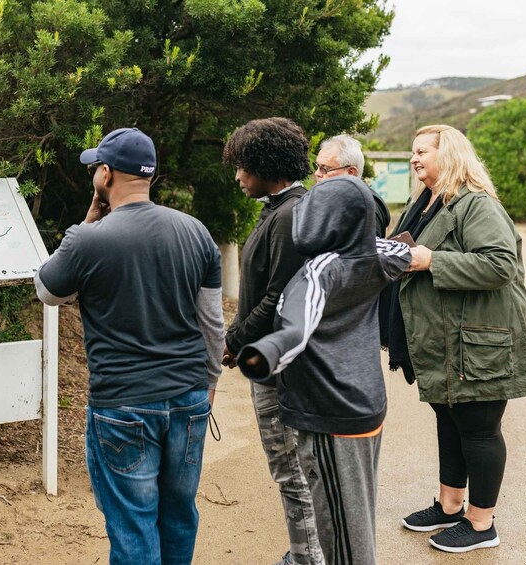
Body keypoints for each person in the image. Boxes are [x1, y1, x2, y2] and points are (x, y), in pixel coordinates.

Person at [34, 127, 225, 565]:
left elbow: (47, 291)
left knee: (133, 523)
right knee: (178, 514)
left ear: (105, 174)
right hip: (188, 396)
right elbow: (212, 324)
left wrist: (87, 221)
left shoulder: (88, 239)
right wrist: (209, 385)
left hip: (122, 403)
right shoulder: (195, 232)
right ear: (151, 176)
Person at [237, 176, 412, 565]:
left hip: (330, 413)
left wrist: (265, 353)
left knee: (340, 536)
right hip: (366, 405)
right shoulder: (376, 255)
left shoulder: (320, 270)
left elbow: (297, 327)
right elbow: (406, 252)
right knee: (357, 517)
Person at [385, 124, 526, 553]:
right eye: (412, 153)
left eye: (422, 152)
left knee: (479, 429)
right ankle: (451, 506)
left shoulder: (476, 204)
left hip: (477, 343)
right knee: (449, 421)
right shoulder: (425, 203)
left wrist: (431, 260)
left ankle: (482, 524)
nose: (414, 159)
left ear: (448, 155)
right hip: (443, 341)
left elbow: (499, 264)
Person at [221, 117, 323, 565]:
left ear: (266, 163)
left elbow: (278, 298)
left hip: (277, 367)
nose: (238, 176)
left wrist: (234, 340)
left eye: (243, 165)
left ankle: (308, 557)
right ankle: (308, 552)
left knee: (292, 469)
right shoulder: (281, 208)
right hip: (269, 358)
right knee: (293, 467)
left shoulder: (289, 215)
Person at [313, 134, 390, 238]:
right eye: (317, 166)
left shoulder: (364, 208)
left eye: (325, 168)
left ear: (351, 172)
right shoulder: (339, 200)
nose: (317, 173)